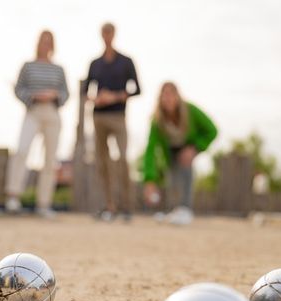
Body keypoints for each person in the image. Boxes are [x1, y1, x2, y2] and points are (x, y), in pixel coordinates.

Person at [5, 30, 69, 218]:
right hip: (32, 111)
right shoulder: (28, 66)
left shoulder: (59, 69)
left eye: (49, 41)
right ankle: (13, 196)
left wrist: (54, 96)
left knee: (50, 159)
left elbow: (66, 93)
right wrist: (32, 96)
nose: (46, 44)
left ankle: (44, 203)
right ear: (38, 42)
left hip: (52, 111)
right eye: (43, 40)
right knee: (22, 150)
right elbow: (18, 88)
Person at [84, 23, 141, 221]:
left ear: (114, 34)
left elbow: (137, 89)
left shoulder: (126, 61)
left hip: (118, 116)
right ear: (101, 35)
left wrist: (115, 97)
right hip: (98, 116)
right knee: (102, 162)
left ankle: (127, 206)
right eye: (104, 33)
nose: (107, 36)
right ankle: (109, 206)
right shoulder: (95, 63)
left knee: (123, 159)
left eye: (110, 32)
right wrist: (96, 99)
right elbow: (85, 91)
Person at [142, 82, 218, 225]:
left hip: (188, 148)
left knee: (186, 173)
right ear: (160, 99)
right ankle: (175, 209)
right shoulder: (157, 120)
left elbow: (212, 130)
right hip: (170, 150)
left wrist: (195, 148)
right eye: (164, 95)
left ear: (177, 96)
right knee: (172, 179)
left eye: (171, 94)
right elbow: (150, 150)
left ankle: (186, 208)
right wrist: (149, 179)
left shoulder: (191, 111)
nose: (168, 98)